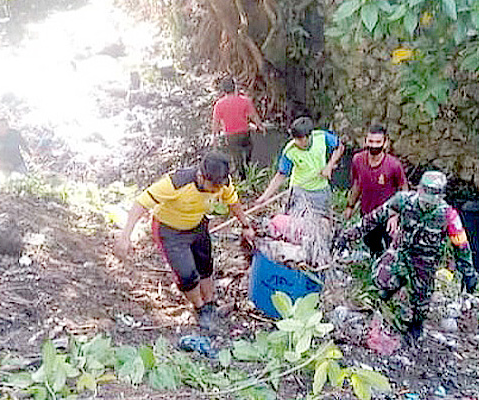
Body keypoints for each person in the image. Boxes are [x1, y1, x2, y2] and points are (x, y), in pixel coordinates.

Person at [115, 151, 255, 330]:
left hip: (197, 225)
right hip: (170, 231)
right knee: (187, 275)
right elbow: (141, 203)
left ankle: (211, 304)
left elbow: (233, 202)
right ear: (202, 176)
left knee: (205, 266)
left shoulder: (222, 183)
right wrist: (125, 235)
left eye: (221, 185)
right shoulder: (176, 183)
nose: (218, 190)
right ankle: (200, 308)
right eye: (214, 186)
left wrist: (245, 225)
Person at [337, 171, 476, 339]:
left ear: (441, 196)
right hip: (401, 251)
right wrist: (347, 235)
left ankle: (416, 325)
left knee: (421, 301)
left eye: (433, 198)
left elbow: (461, 245)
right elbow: (373, 218)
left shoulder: (448, 216)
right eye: (425, 197)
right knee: (381, 280)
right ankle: (393, 286)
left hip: (425, 260)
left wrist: (468, 273)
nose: (428, 203)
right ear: (419, 190)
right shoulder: (403, 200)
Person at [255, 116, 345, 216]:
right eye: (295, 139)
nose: (297, 142)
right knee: (297, 222)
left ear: (309, 135)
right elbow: (281, 175)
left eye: (300, 139)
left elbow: (339, 147)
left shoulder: (322, 137)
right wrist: (265, 196)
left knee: (320, 223)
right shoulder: (290, 150)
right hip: (299, 190)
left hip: (321, 190)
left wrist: (329, 166)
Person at [344, 125, 408, 258]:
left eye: (378, 142)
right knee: (372, 246)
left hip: (388, 215)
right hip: (367, 213)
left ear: (385, 143)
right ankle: (374, 269)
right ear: (365, 141)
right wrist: (350, 206)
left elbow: (403, 190)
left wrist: (396, 214)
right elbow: (357, 184)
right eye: (371, 141)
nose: (374, 145)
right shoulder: (358, 160)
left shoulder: (393, 165)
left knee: (392, 249)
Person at [211, 77, 264, 180]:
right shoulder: (244, 100)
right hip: (244, 133)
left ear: (223, 90)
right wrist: (260, 127)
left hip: (230, 136)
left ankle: (242, 177)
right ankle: (248, 167)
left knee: (236, 157)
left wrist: (215, 139)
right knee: (248, 149)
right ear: (234, 87)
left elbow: (215, 124)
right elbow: (254, 115)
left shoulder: (219, 105)